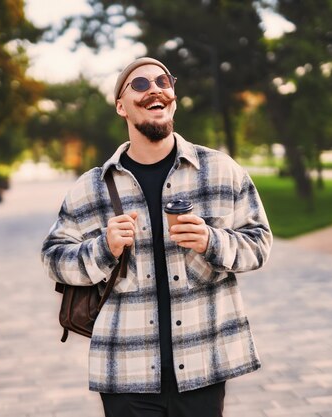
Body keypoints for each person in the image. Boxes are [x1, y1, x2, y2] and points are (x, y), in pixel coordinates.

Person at [41, 57, 272, 417]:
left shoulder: (221, 171)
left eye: (163, 82)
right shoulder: (92, 188)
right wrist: (104, 248)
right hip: (125, 371)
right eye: (140, 84)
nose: (155, 90)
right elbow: (53, 258)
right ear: (121, 106)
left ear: (173, 97)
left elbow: (259, 244)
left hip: (204, 365)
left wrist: (212, 241)